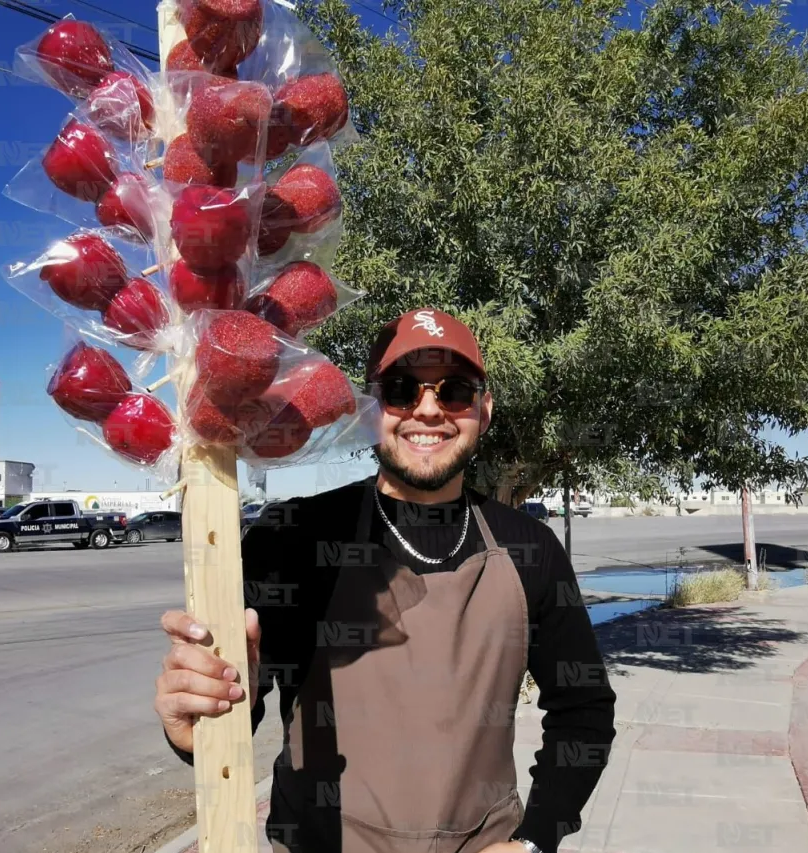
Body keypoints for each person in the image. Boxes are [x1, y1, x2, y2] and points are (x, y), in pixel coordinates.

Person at [155, 308, 616, 853]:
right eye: (401, 389)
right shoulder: (292, 537)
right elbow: (235, 705)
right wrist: (196, 722)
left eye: (455, 391)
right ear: (372, 408)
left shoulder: (530, 548)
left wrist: (536, 839)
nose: (428, 410)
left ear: (484, 410)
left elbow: (583, 711)